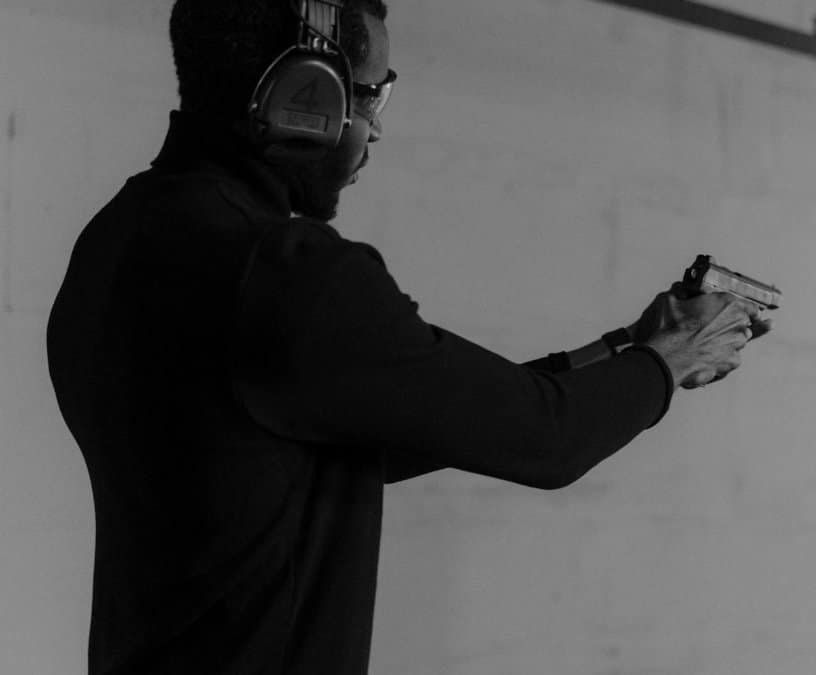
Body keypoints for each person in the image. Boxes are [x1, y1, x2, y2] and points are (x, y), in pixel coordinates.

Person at [45, 0, 772, 673]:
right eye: (369, 93)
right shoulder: (289, 275)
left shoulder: (118, 240)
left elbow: (422, 411)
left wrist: (622, 348)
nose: (376, 127)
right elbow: (547, 439)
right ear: (307, 92)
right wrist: (666, 362)